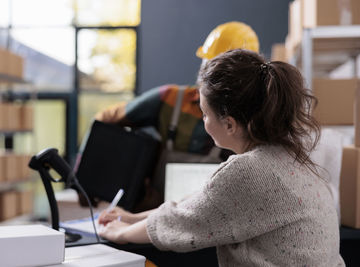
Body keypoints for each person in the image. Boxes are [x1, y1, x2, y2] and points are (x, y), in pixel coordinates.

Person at [98, 49, 345, 266]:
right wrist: (132, 217)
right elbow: (200, 203)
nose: (203, 122)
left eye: (205, 114)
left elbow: (181, 221)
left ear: (229, 124)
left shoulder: (249, 171)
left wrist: (122, 233)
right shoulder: (290, 156)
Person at [94, 21, 260, 209]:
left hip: (211, 213)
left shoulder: (252, 122)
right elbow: (105, 120)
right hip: (153, 209)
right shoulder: (170, 99)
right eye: (212, 68)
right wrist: (91, 178)